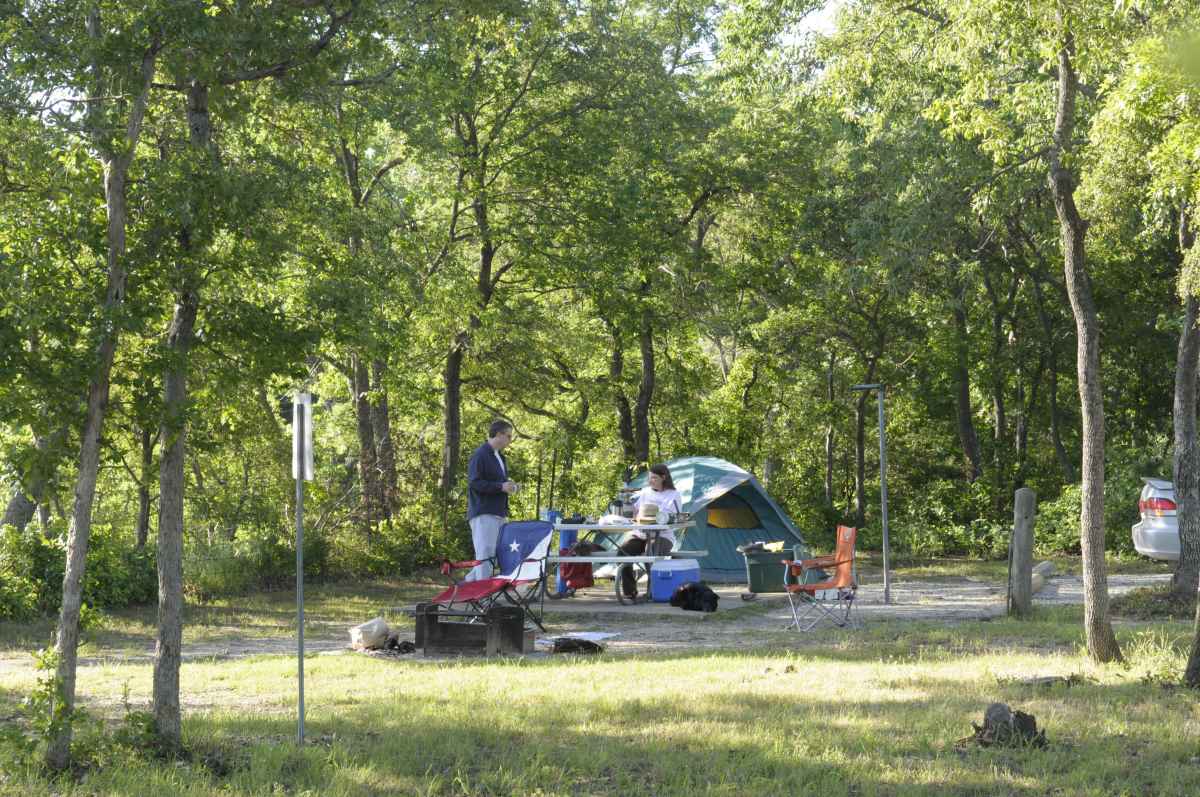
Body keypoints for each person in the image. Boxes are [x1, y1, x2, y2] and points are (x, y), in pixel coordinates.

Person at [619, 463, 682, 599]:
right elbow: (634, 512)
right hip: (642, 534)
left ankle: (652, 592)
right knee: (623, 551)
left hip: (663, 536)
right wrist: (627, 504)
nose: (650, 481)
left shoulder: (673, 495)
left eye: (653, 478)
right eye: (649, 478)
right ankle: (630, 591)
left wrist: (657, 517)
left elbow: (674, 518)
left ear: (663, 477)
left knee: (650, 552)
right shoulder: (645, 492)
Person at [466, 419, 519, 581]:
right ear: (498, 434)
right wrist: (500, 487)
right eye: (508, 436)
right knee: (485, 555)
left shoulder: (500, 458)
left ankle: (468, 587)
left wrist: (511, 487)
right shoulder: (480, 455)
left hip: (499, 513)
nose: (510, 440)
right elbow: (474, 483)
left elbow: (499, 483)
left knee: (497, 554)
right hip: (484, 512)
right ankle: (483, 598)